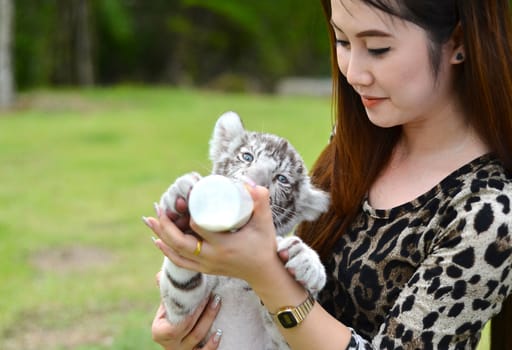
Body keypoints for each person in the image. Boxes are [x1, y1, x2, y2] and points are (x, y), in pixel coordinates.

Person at [144, 0, 512, 348]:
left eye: (378, 48)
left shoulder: (491, 214)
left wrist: (266, 276)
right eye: (342, 40)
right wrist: (191, 322)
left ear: (458, 43)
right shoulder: (360, 138)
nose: (352, 73)